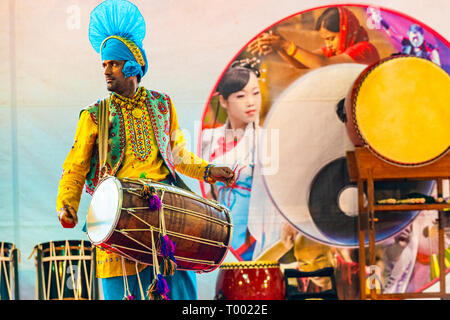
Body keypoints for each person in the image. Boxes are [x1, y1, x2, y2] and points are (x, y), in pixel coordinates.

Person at [56, 0, 235, 300]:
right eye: (104, 65)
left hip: (165, 219)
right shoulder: (94, 115)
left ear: (132, 66)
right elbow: (74, 166)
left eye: (112, 63)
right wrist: (67, 206)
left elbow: (178, 156)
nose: (106, 71)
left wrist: (209, 171)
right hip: (117, 220)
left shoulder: (162, 105)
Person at [247, 6, 380, 69]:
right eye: (325, 40)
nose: (328, 45)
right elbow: (301, 63)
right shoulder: (335, 50)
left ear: (346, 30)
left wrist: (285, 45)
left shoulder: (364, 50)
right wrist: (276, 44)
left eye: (331, 38)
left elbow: (321, 64)